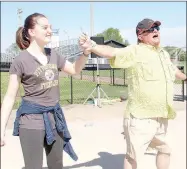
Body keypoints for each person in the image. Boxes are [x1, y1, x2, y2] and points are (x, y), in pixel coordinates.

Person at [79, 18, 187, 169]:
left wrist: (185, 77)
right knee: (133, 158)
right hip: (140, 117)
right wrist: (92, 46)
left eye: (157, 28)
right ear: (140, 35)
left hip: (162, 114)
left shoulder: (163, 53)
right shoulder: (134, 51)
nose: (155, 31)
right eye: (151, 29)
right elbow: (113, 52)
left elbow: (172, 69)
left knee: (165, 149)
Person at [0, 13, 90, 169]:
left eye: (50, 27)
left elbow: (75, 69)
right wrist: (1, 130)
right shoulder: (20, 60)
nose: (49, 30)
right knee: (33, 166)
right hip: (31, 122)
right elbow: (9, 97)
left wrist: (85, 53)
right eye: (45, 27)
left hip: (55, 120)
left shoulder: (53, 55)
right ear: (31, 32)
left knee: (56, 165)